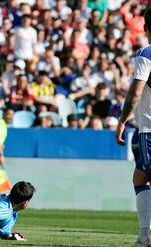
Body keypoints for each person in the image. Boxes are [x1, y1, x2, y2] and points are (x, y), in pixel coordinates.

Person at [115, 7, 151, 247]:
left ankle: (145, 237)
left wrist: (122, 119)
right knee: (140, 178)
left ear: (145, 27)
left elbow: (136, 90)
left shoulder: (147, 53)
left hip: (149, 130)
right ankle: (143, 237)